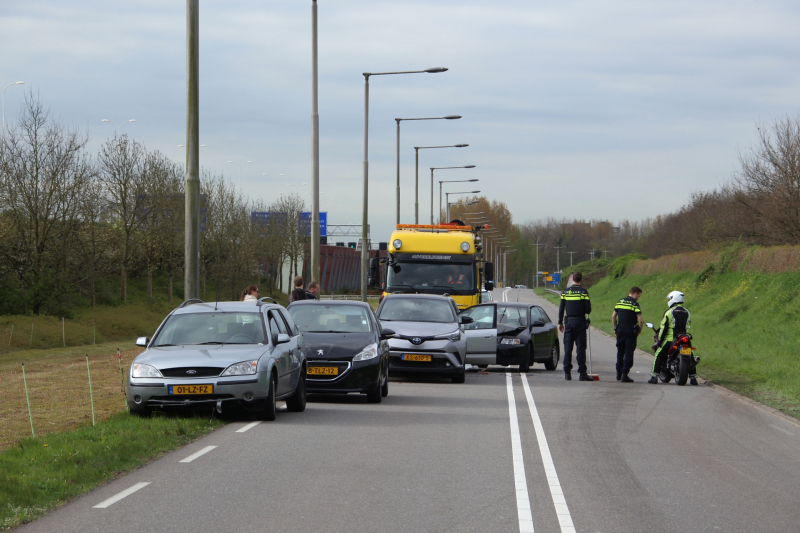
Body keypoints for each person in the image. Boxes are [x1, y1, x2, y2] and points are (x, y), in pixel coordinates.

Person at [649, 290, 695, 385]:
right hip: (683, 337)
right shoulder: (688, 312)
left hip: (671, 339)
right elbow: (687, 325)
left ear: (673, 299)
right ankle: (693, 378)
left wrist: (660, 341)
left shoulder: (669, 312)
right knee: (690, 354)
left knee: (659, 353)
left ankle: (654, 376)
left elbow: (663, 327)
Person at [558, 272, 593, 381]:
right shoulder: (583, 293)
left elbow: (561, 309)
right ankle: (582, 373)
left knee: (568, 348)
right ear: (580, 280)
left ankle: (567, 372)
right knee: (581, 348)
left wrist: (560, 322)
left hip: (568, 322)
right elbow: (588, 310)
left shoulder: (565, 292)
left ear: (572, 279)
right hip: (580, 322)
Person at [612, 286, 643, 383]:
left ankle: (618, 374)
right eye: (638, 295)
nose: (638, 297)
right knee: (629, 352)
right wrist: (639, 330)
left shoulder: (620, 301)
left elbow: (613, 316)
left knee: (620, 352)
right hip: (630, 330)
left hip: (620, 329)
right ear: (634, 293)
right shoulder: (635, 304)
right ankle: (625, 374)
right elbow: (641, 320)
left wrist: (615, 327)